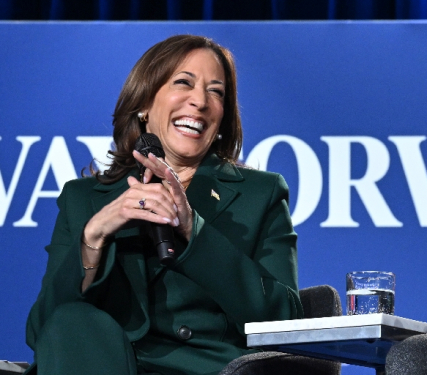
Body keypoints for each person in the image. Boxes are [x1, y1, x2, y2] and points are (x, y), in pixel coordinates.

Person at [24, 35, 303, 375]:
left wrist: (194, 231)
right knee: (71, 319)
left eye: (216, 91)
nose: (200, 101)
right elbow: (44, 331)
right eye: (183, 83)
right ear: (143, 104)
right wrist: (93, 238)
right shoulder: (83, 199)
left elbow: (286, 320)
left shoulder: (261, 194)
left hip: (208, 370)